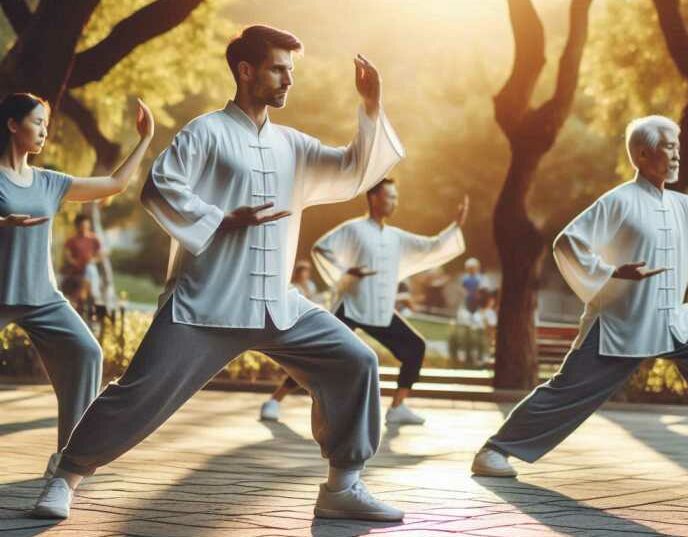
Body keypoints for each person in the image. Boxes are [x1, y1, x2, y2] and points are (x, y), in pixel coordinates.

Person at [34, 25, 405, 522]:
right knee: (137, 395)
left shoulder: (293, 144)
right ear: (246, 70)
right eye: (278, 68)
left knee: (355, 362)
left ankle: (343, 486)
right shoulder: (205, 132)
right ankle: (66, 475)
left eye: (290, 71)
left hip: (279, 305)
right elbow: (159, 187)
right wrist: (222, 218)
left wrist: (371, 106)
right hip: (206, 303)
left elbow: (356, 168)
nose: (287, 80)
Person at [471, 115, 688, 483]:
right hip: (622, 323)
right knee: (569, 392)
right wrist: (613, 273)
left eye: (678, 145)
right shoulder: (620, 200)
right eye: (669, 145)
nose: (677, 152)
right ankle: (494, 450)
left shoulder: (683, 206)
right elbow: (568, 242)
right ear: (644, 154)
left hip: (675, 321)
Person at [0, 92, 154, 480]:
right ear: (12, 124)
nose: (44, 132)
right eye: (37, 123)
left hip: (41, 297)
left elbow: (115, 183)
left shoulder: (49, 182)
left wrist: (145, 140)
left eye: (47, 125)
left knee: (86, 353)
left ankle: (68, 461)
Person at [260, 178, 467, 425]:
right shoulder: (354, 229)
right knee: (319, 356)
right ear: (373, 198)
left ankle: (397, 408)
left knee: (415, 347)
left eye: (395, 197)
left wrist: (455, 226)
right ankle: (274, 400)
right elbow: (321, 249)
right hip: (351, 307)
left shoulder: (396, 237)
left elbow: (430, 245)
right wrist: (347, 271)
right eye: (389, 196)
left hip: (380, 310)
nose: (394, 202)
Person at [61, 214, 103, 313]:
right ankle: (89, 297)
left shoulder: (94, 239)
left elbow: (100, 255)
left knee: (90, 269)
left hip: (88, 270)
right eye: (82, 226)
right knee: (87, 275)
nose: (84, 228)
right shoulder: (72, 240)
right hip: (76, 271)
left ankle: (90, 297)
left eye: (86, 226)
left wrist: (93, 260)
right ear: (78, 226)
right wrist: (74, 262)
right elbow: (67, 255)